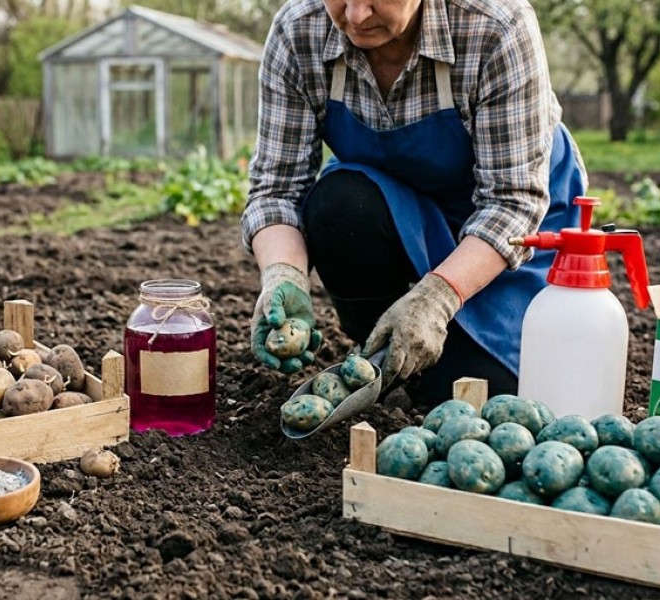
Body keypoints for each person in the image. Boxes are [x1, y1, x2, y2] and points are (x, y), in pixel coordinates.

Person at [246, 0, 587, 402]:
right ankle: (380, 350)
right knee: (340, 206)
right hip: (399, 204)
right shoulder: (299, 29)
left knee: (473, 389)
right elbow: (277, 190)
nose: (355, 16)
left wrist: (436, 298)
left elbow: (511, 202)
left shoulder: (495, 26)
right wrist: (283, 275)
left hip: (510, 228)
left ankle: (439, 346)